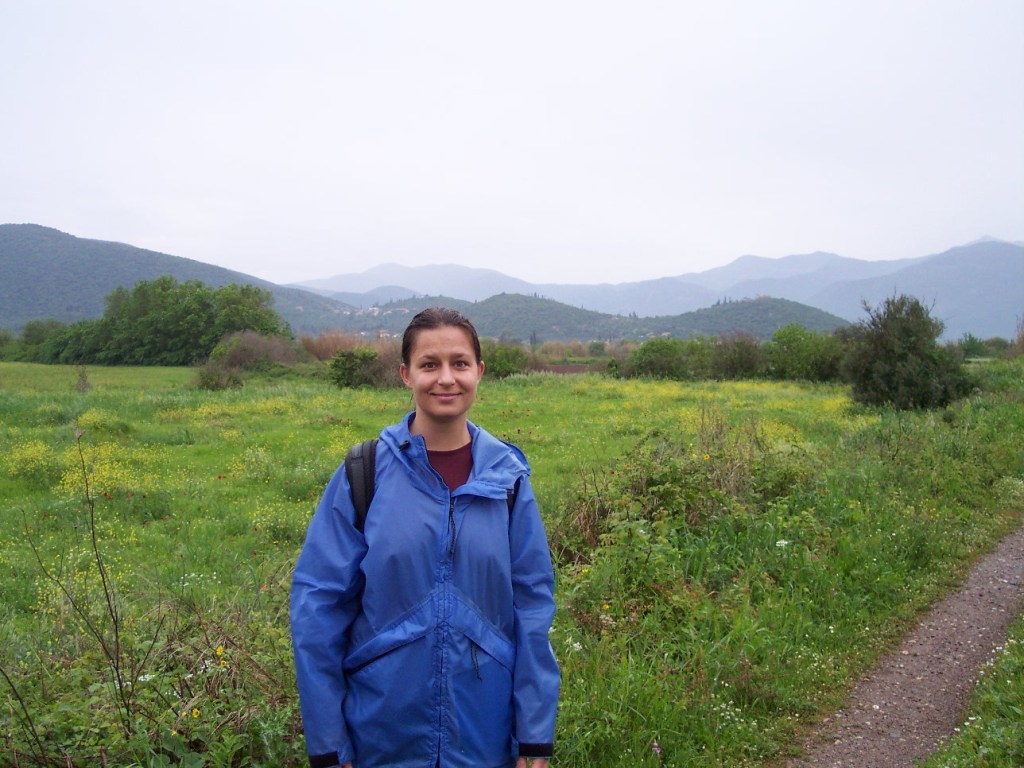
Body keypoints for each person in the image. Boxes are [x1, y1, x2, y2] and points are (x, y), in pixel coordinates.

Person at [291, 307, 560, 768]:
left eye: (459, 363)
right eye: (429, 364)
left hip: (484, 733)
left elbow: (532, 606)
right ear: (405, 374)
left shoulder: (509, 482)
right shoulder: (363, 473)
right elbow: (318, 608)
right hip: (381, 731)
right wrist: (329, 745)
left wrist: (534, 736)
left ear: (479, 371)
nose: (446, 379)